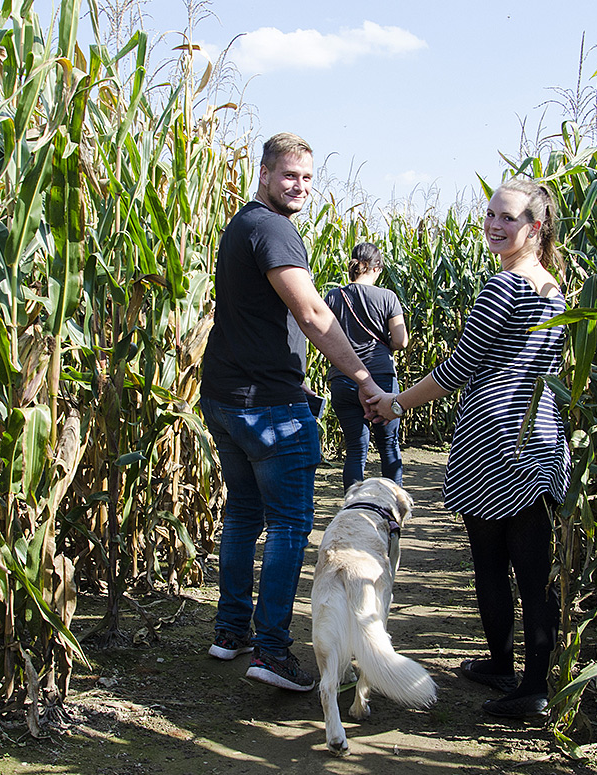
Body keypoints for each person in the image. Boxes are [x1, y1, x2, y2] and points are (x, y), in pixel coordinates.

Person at [369, 178, 571, 719]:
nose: (496, 225)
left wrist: (394, 404)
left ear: (535, 226)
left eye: (509, 218)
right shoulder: (555, 288)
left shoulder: (502, 288)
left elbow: (459, 369)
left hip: (496, 437)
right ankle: (521, 674)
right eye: (490, 215)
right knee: (532, 564)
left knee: (493, 560)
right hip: (543, 434)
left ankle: (524, 683)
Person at [200, 133, 384, 692]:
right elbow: (311, 313)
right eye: (289, 176)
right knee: (287, 524)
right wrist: (363, 378)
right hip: (270, 406)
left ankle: (232, 632)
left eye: (307, 178)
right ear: (263, 174)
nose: (299, 187)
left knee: (243, 515)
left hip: (226, 398)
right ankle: (273, 651)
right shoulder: (274, 229)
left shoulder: (242, 225)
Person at [324, 242, 409, 492]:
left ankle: (352, 509)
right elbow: (401, 340)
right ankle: (393, 511)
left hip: (342, 378)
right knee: (388, 445)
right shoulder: (387, 297)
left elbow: (323, 336)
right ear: (376, 268)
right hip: (380, 379)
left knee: (355, 448)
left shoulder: (334, 297)